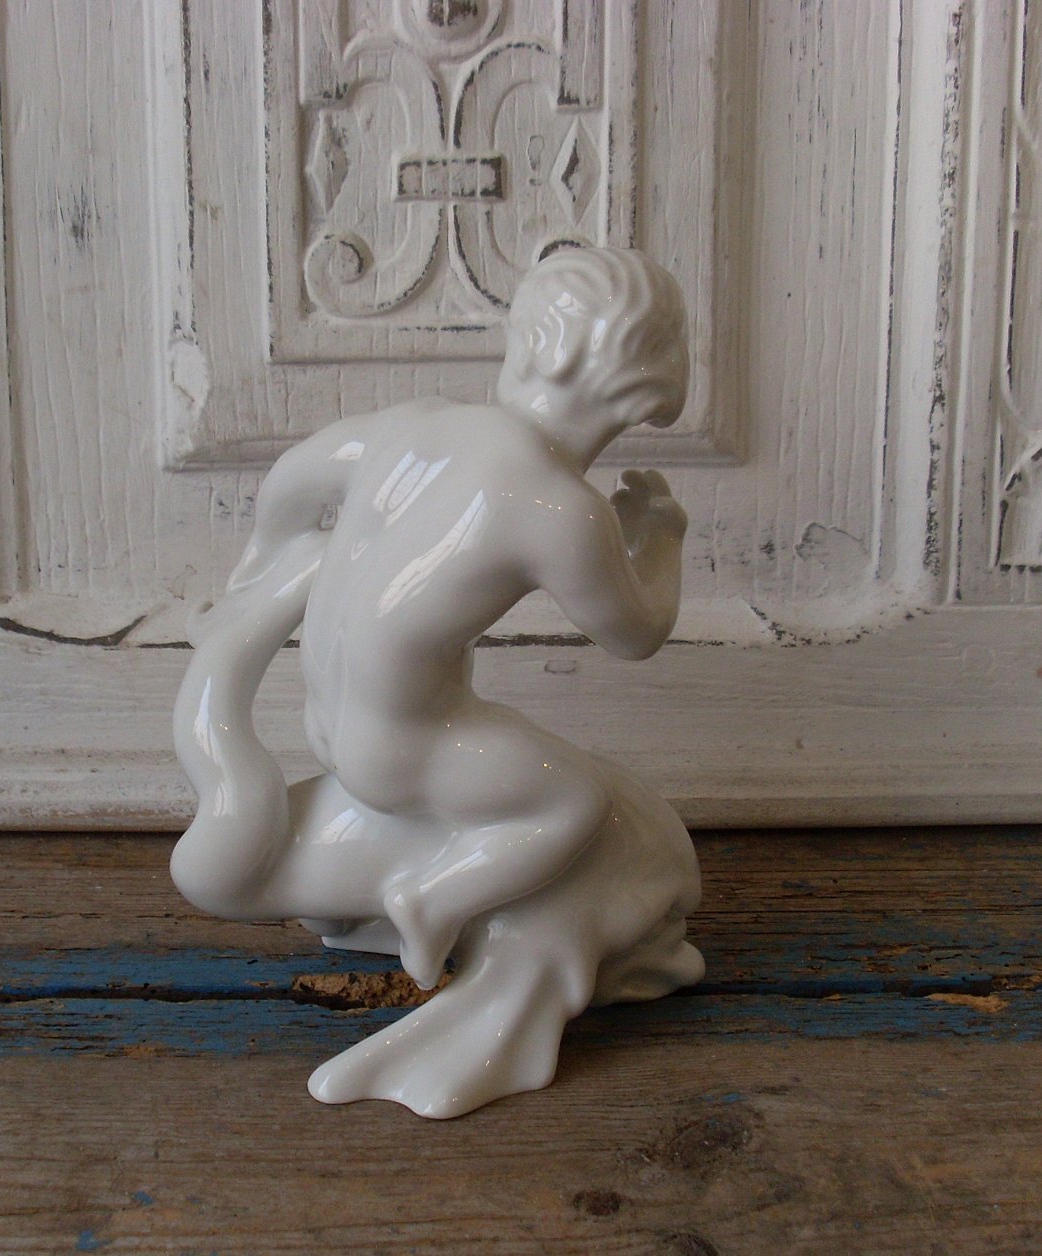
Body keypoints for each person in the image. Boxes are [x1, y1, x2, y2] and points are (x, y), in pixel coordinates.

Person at [207, 246, 691, 989]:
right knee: (572, 802)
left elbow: (294, 477)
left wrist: (257, 568)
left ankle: (353, 905)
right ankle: (432, 901)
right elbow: (637, 633)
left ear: (533, 345)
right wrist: (658, 540)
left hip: (326, 722)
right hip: (403, 746)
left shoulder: (417, 424)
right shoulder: (560, 510)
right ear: (640, 394)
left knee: (495, 736)